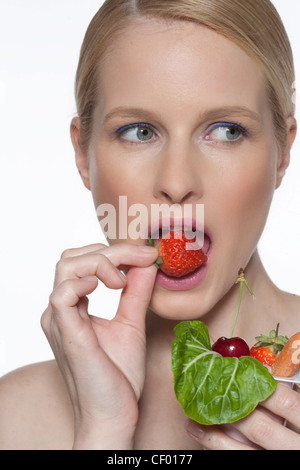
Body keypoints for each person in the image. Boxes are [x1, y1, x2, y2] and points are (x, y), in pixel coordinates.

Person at [0, 0, 299, 450]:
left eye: (226, 130)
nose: (176, 182)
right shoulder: (16, 420)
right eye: (139, 131)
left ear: (281, 152)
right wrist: (102, 433)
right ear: (83, 155)